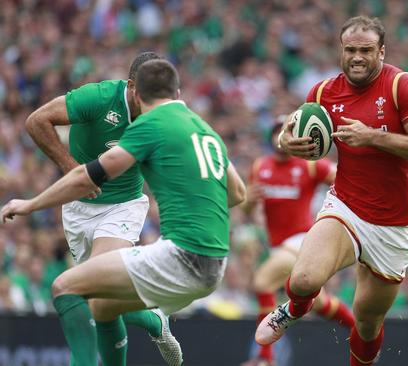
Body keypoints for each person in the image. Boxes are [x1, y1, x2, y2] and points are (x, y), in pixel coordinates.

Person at [2, 59, 247, 365]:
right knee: (101, 304)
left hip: (153, 231)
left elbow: (86, 177)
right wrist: (197, 208)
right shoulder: (202, 127)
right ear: (178, 92)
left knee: (67, 287)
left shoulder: (150, 124)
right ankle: (155, 321)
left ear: (138, 93)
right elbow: (238, 193)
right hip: (213, 262)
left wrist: (29, 204)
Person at [255, 16, 408, 366]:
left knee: (367, 323)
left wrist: (372, 136)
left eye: (366, 50)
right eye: (350, 50)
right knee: (303, 279)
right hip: (346, 208)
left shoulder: (403, 85)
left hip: (394, 227)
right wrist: (288, 142)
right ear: (341, 51)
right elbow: (287, 132)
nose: (357, 57)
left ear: (381, 52)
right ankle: (294, 308)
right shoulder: (324, 92)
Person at [24, 51, 184, 366]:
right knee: (98, 300)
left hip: (124, 207)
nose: (154, 106)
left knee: (89, 289)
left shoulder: (167, 113)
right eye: (147, 96)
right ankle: (155, 320)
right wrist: (74, 171)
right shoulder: (97, 99)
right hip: (78, 207)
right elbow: (36, 121)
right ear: (130, 87)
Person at [242, 119, 354, 366]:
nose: (283, 136)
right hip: (278, 246)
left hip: (303, 240)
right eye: (278, 131)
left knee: (263, 281)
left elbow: (345, 179)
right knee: (319, 303)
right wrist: (248, 202)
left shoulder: (310, 165)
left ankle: (265, 359)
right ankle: (359, 329)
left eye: (289, 130)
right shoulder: (260, 166)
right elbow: (249, 209)